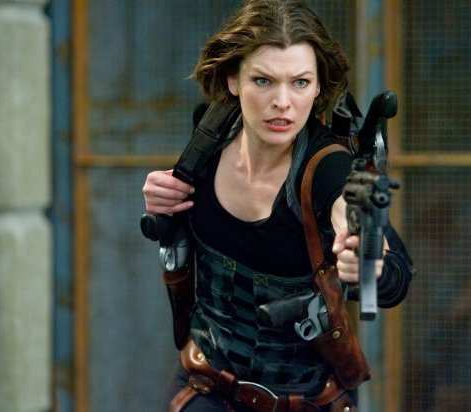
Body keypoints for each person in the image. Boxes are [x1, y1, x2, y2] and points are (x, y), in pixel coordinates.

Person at [142, 1, 413, 410]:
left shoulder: (329, 168)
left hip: (306, 400)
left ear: (318, 88)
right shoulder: (207, 141)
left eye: (300, 82)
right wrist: (161, 200)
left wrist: (369, 265)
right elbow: (173, 223)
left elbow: (391, 271)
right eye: (263, 81)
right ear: (233, 80)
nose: (282, 102)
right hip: (205, 385)